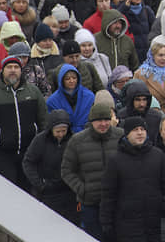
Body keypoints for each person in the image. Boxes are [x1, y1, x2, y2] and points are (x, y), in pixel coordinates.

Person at [0, 55, 47, 189]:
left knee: (30, 192)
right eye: (9, 67)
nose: (13, 70)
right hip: (3, 154)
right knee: (8, 191)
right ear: (3, 70)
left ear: (21, 70)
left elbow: (43, 119)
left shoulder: (33, 92)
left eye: (16, 67)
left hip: (29, 152)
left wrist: (40, 140)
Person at [100, 116, 165, 242]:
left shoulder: (157, 155)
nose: (140, 133)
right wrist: (106, 222)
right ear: (127, 134)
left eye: (142, 129)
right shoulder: (115, 160)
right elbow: (108, 194)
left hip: (154, 223)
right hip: (126, 226)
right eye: (135, 130)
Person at [61, 102, 124, 239]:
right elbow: (66, 170)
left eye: (106, 120)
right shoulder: (77, 141)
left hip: (117, 202)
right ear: (91, 122)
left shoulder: (121, 137)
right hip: (90, 204)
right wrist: (83, 189)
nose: (103, 124)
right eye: (99, 121)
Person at [22, 109, 77, 224]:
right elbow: (28, 162)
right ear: (51, 129)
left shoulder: (73, 140)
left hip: (69, 193)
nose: (61, 135)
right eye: (58, 131)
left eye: (64, 131)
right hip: (47, 193)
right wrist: (39, 184)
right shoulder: (40, 140)